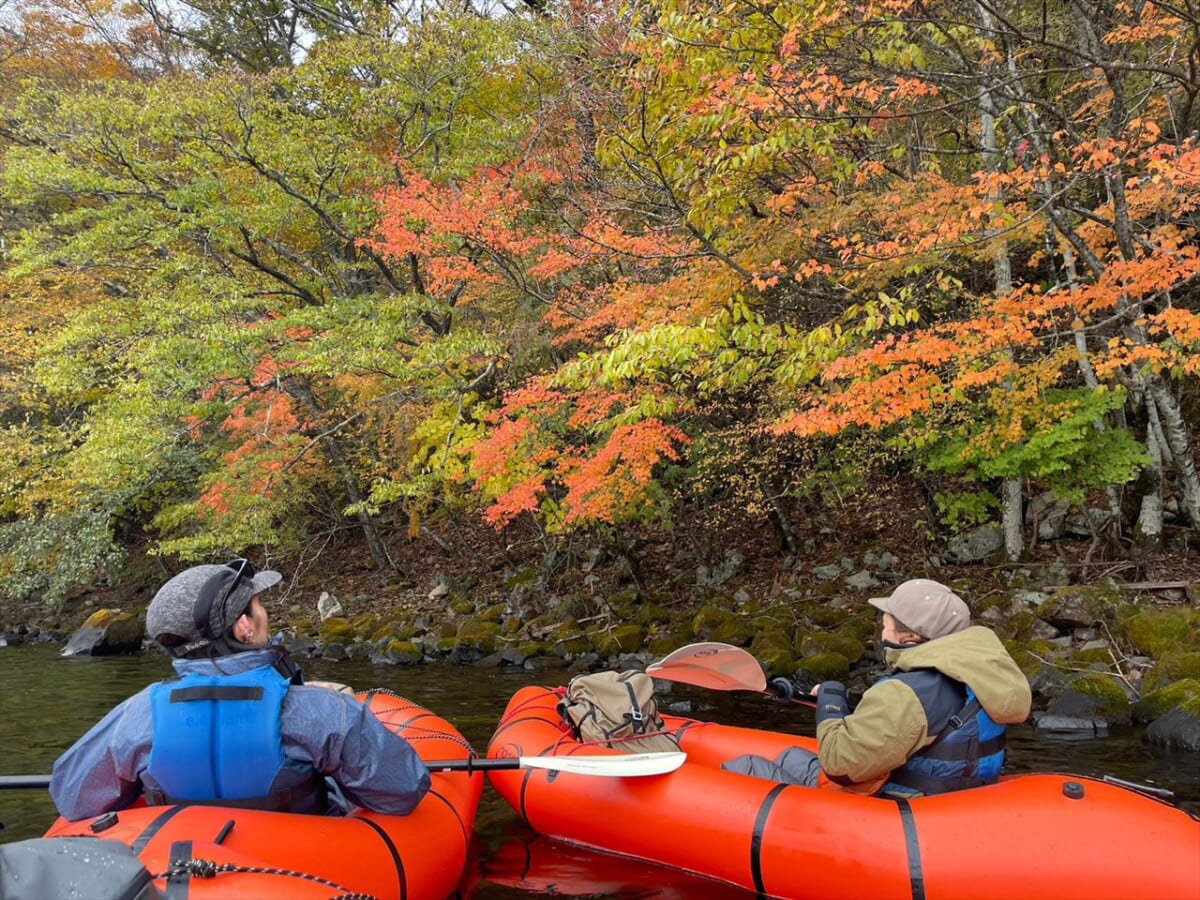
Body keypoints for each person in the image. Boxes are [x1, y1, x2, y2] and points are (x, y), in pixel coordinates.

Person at [50, 559, 431, 821]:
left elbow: (73, 796)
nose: (265, 612)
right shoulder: (322, 712)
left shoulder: (137, 717)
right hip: (299, 871)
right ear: (244, 628)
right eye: (258, 604)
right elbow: (404, 790)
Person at [724, 578, 1032, 797]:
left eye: (887, 623)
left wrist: (831, 702)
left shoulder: (905, 694)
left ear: (910, 638)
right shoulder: (978, 678)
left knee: (745, 766)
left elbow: (840, 765)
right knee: (791, 757)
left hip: (901, 810)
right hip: (959, 798)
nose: (882, 630)